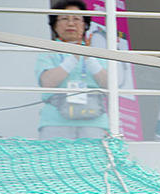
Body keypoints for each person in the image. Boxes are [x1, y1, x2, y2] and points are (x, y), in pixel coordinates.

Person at [35, 0, 108, 140]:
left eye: (76, 19)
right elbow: (47, 83)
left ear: (85, 24)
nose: (70, 23)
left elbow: (108, 83)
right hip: (55, 123)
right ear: (54, 25)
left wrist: (88, 57)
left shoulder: (98, 52)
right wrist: (73, 57)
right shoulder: (48, 52)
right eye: (64, 19)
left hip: (94, 123)